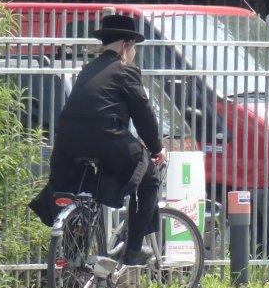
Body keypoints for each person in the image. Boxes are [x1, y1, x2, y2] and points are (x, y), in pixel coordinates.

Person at [29, 14, 167, 266]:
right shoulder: (126, 70)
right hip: (105, 139)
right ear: (127, 45)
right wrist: (157, 148)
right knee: (149, 179)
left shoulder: (88, 69)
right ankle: (134, 249)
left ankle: (74, 257)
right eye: (134, 47)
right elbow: (143, 113)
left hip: (67, 142)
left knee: (80, 191)